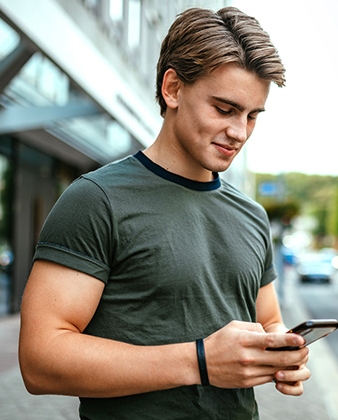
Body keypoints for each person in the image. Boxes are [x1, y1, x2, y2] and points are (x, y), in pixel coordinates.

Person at [18, 6, 311, 420]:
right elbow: (40, 360)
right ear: (172, 88)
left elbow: (269, 322)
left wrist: (282, 353)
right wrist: (200, 362)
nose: (240, 132)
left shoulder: (252, 215)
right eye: (225, 109)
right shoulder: (96, 199)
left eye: (252, 116)